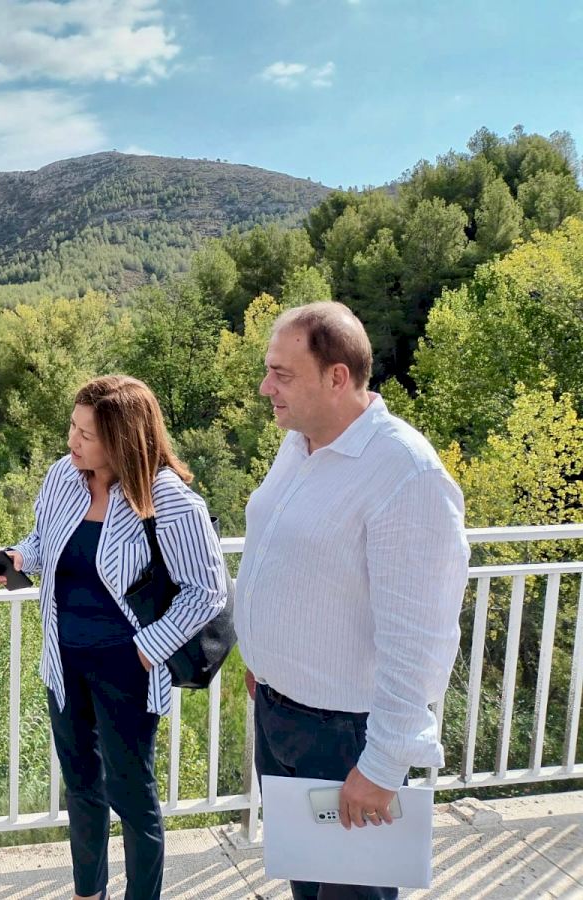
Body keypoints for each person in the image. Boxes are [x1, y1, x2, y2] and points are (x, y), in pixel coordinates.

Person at [237, 302, 469, 900]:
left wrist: (383, 765)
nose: (266, 388)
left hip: (345, 738)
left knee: (350, 895)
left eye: (281, 374)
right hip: (281, 715)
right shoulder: (301, 443)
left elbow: (419, 638)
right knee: (308, 886)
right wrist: (263, 661)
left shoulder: (406, 473)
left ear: (337, 377)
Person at [0, 375, 227, 900]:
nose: (72, 441)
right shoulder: (63, 477)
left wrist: (147, 650)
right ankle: (88, 893)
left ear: (122, 439)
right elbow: (43, 542)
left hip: (128, 669)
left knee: (132, 797)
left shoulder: (168, 499)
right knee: (82, 789)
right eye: (72, 427)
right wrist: (17, 558)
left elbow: (208, 591)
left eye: (86, 434)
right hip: (63, 660)